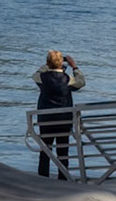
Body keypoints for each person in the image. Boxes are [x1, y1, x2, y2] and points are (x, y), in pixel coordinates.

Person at [33, 50, 85, 179]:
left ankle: (43, 176)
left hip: (45, 119)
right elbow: (81, 82)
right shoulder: (68, 80)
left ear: (47, 63)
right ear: (61, 63)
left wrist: (48, 65)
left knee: (45, 150)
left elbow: (36, 74)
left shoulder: (42, 78)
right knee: (63, 150)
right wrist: (74, 66)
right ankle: (63, 176)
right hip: (64, 120)